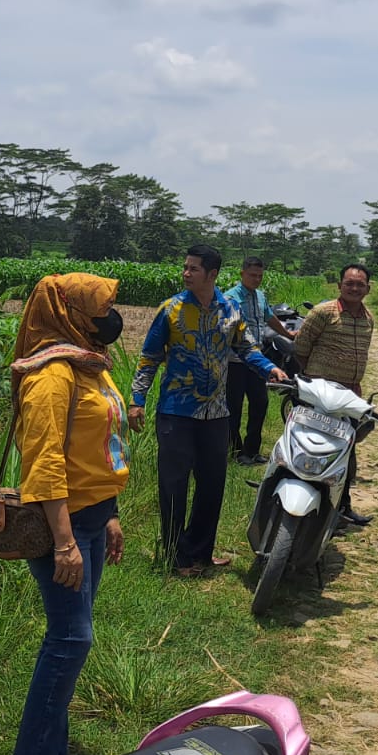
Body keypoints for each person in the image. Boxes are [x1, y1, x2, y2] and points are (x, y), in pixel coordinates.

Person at [8, 273, 132, 755]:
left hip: (91, 517)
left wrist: (109, 512)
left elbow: (99, 446)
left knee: (70, 637)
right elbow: (45, 462)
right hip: (64, 524)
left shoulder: (87, 362)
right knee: (70, 639)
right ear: (70, 312)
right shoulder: (51, 375)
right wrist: (65, 541)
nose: (110, 318)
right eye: (99, 307)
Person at [131, 245, 286, 576]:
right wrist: (137, 400)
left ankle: (199, 553)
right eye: (185, 267)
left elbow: (246, 349)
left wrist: (269, 369)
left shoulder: (229, 309)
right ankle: (175, 556)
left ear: (212, 274)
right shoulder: (171, 310)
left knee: (211, 486)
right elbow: (149, 358)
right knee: (173, 486)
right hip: (176, 413)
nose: (186, 273)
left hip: (216, 414)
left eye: (193, 269)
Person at [293, 262, 376, 526]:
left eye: (359, 284)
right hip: (319, 393)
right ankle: (303, 506)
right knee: (309, 447)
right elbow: (301, 349)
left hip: (349, 396)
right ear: (339, 285)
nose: (354, 288)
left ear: (368, 288)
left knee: (345, 453)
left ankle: (341, 508)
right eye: (349, 283)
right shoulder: (322, 313)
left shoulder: (368, 319)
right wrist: (312, 380)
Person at [223, 255, 292, 466]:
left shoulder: (260, 296)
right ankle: (235, 451)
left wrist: (288, 335)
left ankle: (251, 451)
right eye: (253, 275)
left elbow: (269, 317)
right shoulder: (230, 297)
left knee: (259, 404)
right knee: (233, 407)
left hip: (257, 360)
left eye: (260, 276)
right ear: (242, 274)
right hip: (235, 362)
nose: (257, 279)